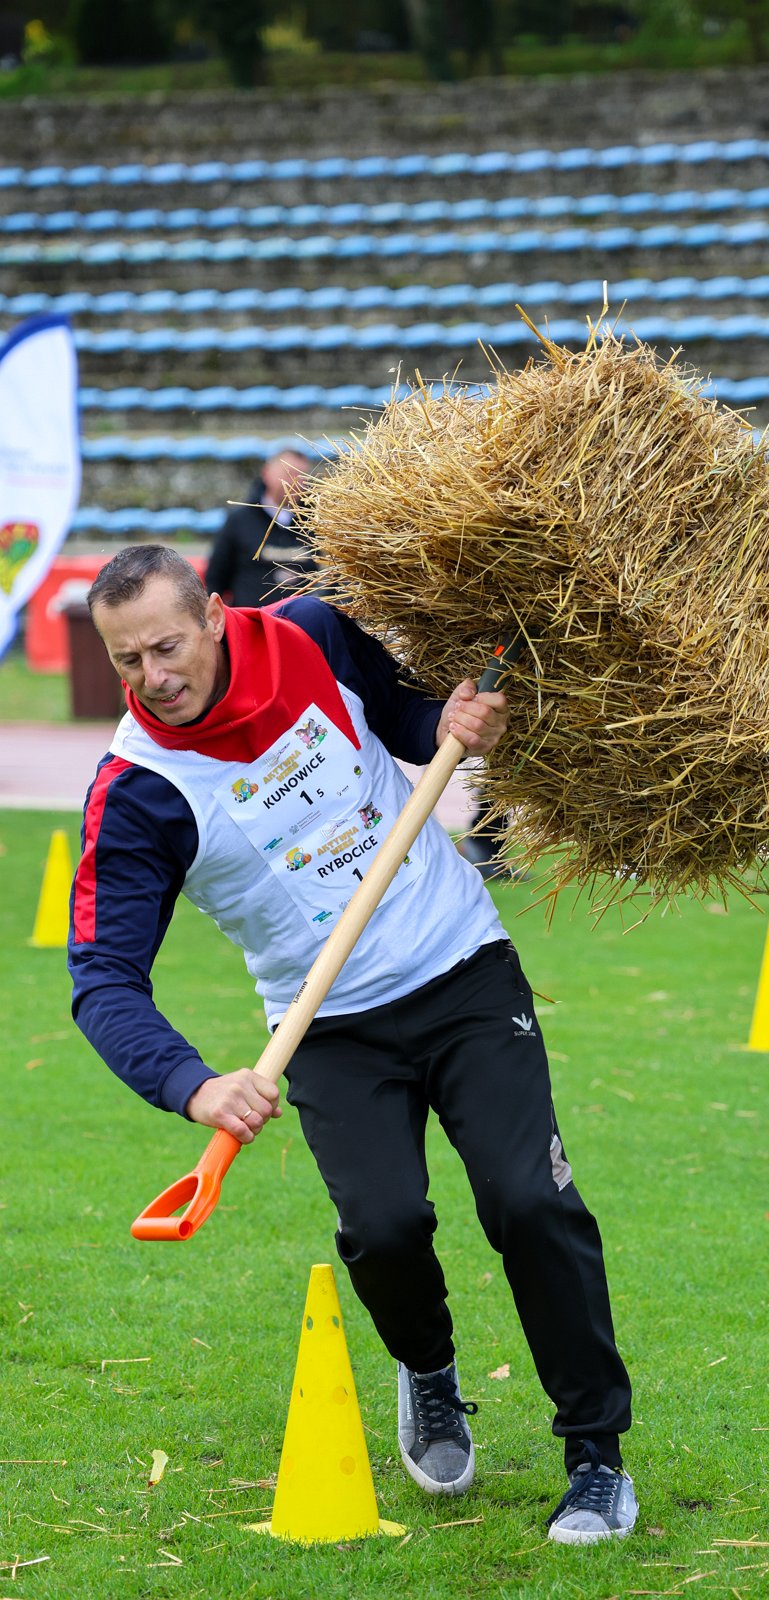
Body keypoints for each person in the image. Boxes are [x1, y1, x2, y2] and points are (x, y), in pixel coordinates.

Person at [68, 544, 636, 1544]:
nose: (154, 676)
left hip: (460, 966)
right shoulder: (141, 790)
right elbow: (103, 978)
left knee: (527, 1200)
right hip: (326, 1027)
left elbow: (407, 719)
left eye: (166, 646)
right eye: (128, 660)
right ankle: (428, 1370)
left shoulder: (311, 634)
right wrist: (193, 1085)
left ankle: (595, 1455)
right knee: (383, 1225)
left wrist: (453, 724)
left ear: (212, 614)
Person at [203, 449, 315, 607]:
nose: (294, 482)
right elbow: (216, 577)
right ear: (266, 473)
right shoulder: (239, 519)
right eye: (288, 473)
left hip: (303, 619)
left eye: (301, 476)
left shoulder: (316, 521)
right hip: (250, 617)